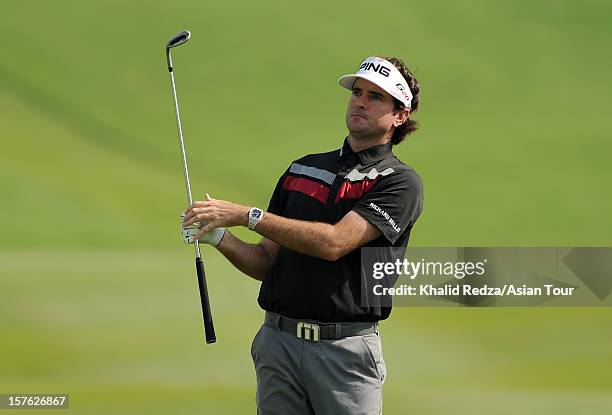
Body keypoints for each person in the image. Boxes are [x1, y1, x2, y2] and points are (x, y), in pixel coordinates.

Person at [181, 55, 423, 415]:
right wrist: (218, 236)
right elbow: (266, 262)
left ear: (400, 116)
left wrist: (246, 216)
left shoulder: (399, 182)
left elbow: (334, 243)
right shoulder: (303, 169)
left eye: (376, 97)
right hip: (278, 345)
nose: (360, 101)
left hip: (346, 354)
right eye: (357, 92)